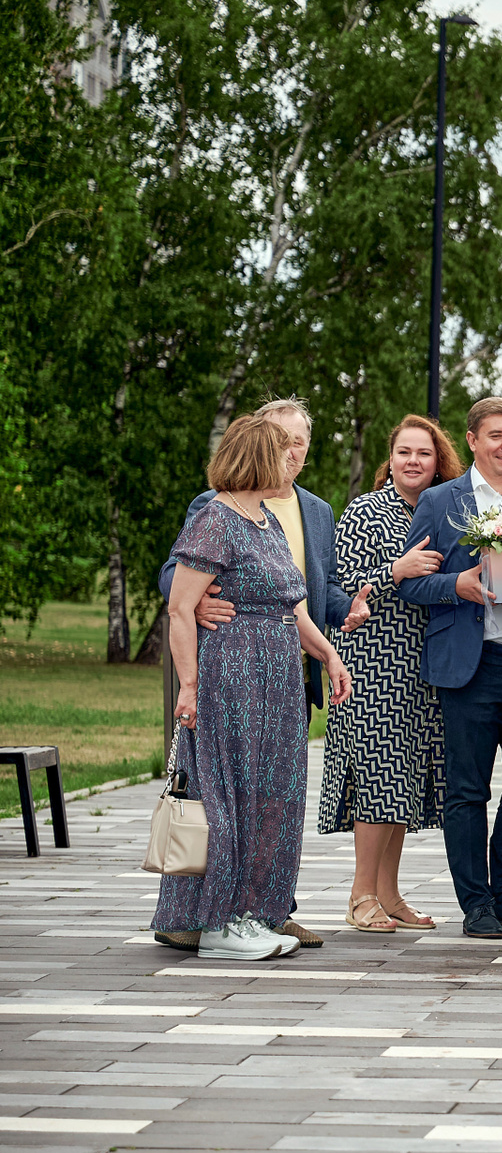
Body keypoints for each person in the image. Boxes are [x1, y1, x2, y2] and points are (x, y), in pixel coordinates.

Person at [157, 396, 365, 952]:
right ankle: (219, 920)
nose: (292, 460)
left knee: (276, 796)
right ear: (256, 459)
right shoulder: (216, 517)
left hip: (279, 682)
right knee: (232, 797)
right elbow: (179, 607)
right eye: (282, 451)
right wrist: (189, 685)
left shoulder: (267, 519)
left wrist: (329, 655)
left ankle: (258, 911)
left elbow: (293, 605)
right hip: (232, 677)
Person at [398, 397, 502, 940]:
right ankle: (476, 904)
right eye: (496, 435)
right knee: (468, 792)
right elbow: (412, 584)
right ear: (472, 440)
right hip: (469, 669)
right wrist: (458, 585)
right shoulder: (440, 501)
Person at [319, 414, 463, 934]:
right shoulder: (366, 510)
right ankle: (361, 895)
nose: (413, 461)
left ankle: (389, 893)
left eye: (424, 453)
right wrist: (395, 571)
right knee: (377, 777)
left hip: (422, 664)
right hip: (372, 662)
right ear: (391, 458)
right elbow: (341, 586)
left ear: (438, 460)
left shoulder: (442, 508)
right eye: (404, 452)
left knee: (401, 780)